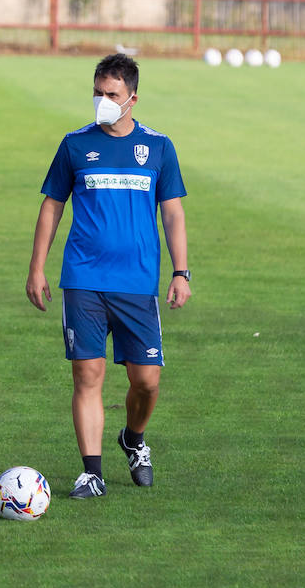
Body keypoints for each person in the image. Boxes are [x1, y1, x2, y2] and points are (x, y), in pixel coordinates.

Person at [25, 53, 190, 500]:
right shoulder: (75, 144)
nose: (102, 101)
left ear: (132, 98)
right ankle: (91, 473)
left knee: (147, 381)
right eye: (97, 92)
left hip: (137, 282)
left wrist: (181, 271)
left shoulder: (157, 148)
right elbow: (52, 205)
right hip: (83, 277)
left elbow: (172, 212)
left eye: (111, 94)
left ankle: (133, 439)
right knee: (87, 373)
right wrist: (37, 267)